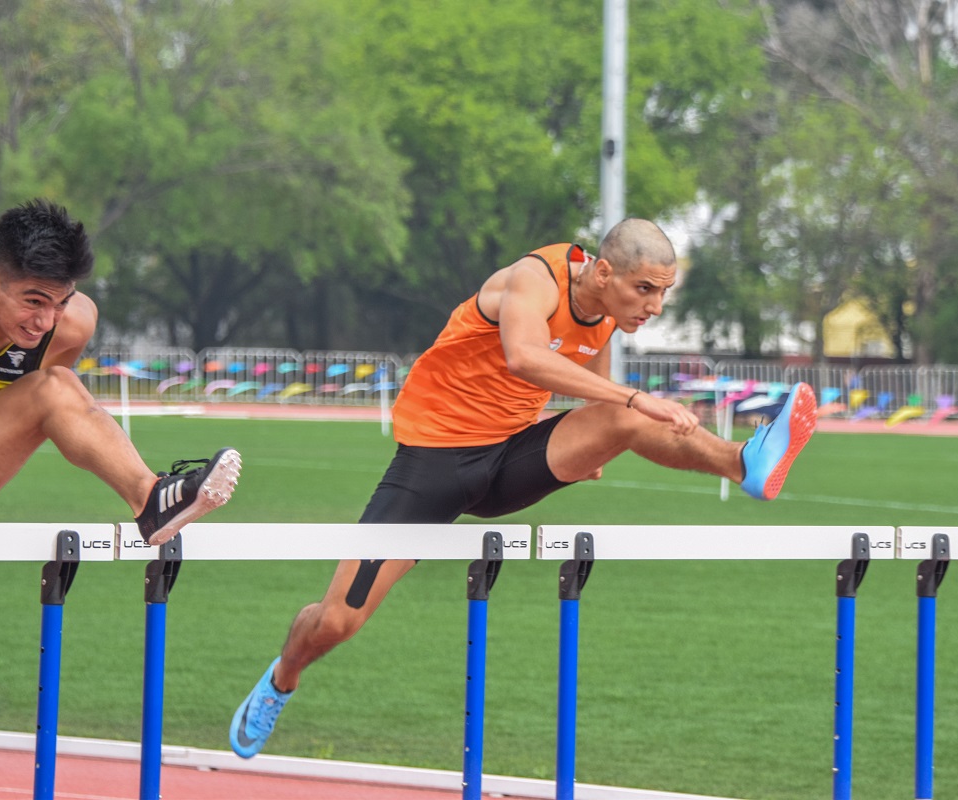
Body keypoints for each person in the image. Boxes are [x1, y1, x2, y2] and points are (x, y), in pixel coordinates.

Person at [229, 218, 815, 757]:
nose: (656, 306)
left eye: (664, 293)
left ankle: (746, 463)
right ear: (604, 272)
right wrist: (633, 399)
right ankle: (283, 677)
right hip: (434, 464)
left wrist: (593, 448)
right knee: (337, 621)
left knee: (626, 419)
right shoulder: (535, 279)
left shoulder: (608, 314)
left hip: (508, 461)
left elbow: (597, 398)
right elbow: (525, 356)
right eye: (646, 290)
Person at [0, 198, 241, 545]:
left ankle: (152, 499)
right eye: (33, 302)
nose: (44, 323)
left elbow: (27, 412)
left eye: (60, 302)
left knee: (56, 387)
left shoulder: (72, 326)